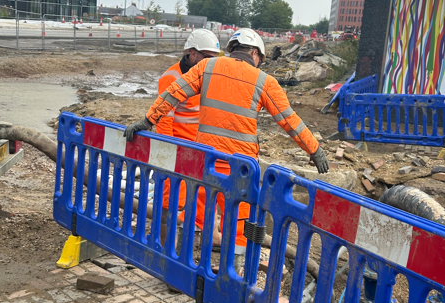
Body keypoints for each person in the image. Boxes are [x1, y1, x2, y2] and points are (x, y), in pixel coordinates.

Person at [125, 28, 329, 258]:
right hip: (240, 168)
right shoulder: (265, 82)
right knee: (240, 222)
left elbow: (173, 93)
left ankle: (180, 268)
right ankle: (233, 280)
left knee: (195, 213)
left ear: (231, 49)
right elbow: (290, 121)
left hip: (206, 161)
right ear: (254, 52)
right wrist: (315, 150)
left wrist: (147, 120)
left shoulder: (206, 67)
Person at [155, 29, 221, 244]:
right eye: (208, 57)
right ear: (192, 53)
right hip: (179, 148)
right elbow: (164, 120)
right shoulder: (171, 78)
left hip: (200, 147)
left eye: (215, 58)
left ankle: (196, 233)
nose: (212, 62)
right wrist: (169, 152)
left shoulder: (208, 77)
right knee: (172, 195)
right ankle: (166, 241)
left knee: (202, 192)